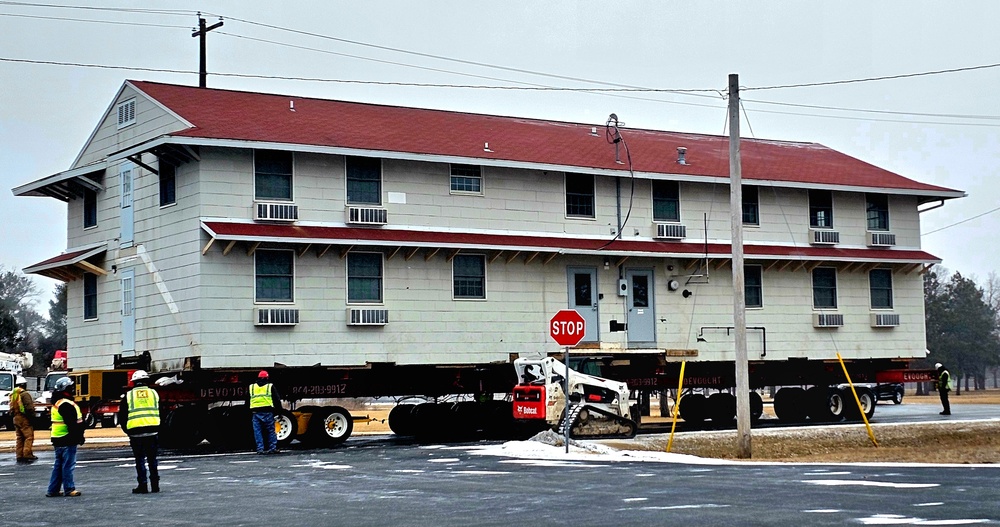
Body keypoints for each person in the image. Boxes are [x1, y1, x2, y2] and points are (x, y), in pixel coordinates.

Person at [119, 370, 160, 494]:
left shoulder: (129, 395)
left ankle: (142, 485)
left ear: (134, 382)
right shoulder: (154, 393)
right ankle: (155, 486)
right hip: (152, 431)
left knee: (140, 459)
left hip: (135, 432)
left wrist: (128, 430)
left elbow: (122, 416)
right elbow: (160, 410)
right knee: (152, 459)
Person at [46, 376, 84, 497]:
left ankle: (53, 490)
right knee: (68, 465)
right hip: (67, 438)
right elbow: (72, 424)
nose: (73, 389)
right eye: (71, 387)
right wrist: (79, 437)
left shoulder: (58, 403)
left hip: (58, 438)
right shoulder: (66, 404)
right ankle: (69, 488)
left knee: (58, 466)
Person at [249, 370, 281, 454]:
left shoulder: (252, 387)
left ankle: (260, 449)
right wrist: (279, 412)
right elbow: (277, 400)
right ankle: (272, 448)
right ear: (267, 378)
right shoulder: (270, 386)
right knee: (270, 431)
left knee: (257, 431)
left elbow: (247, 401)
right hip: (267, 412)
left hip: (255, 413)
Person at [11, 375, 37, 463]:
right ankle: (27, 454)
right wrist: (32, 417)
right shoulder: (24, 394)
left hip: (15, 418)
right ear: (24, 385)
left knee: (20, 437)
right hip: (23, 418)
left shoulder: (13, 394)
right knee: (28, 437)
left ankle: (19, 455)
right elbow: (29, 407)